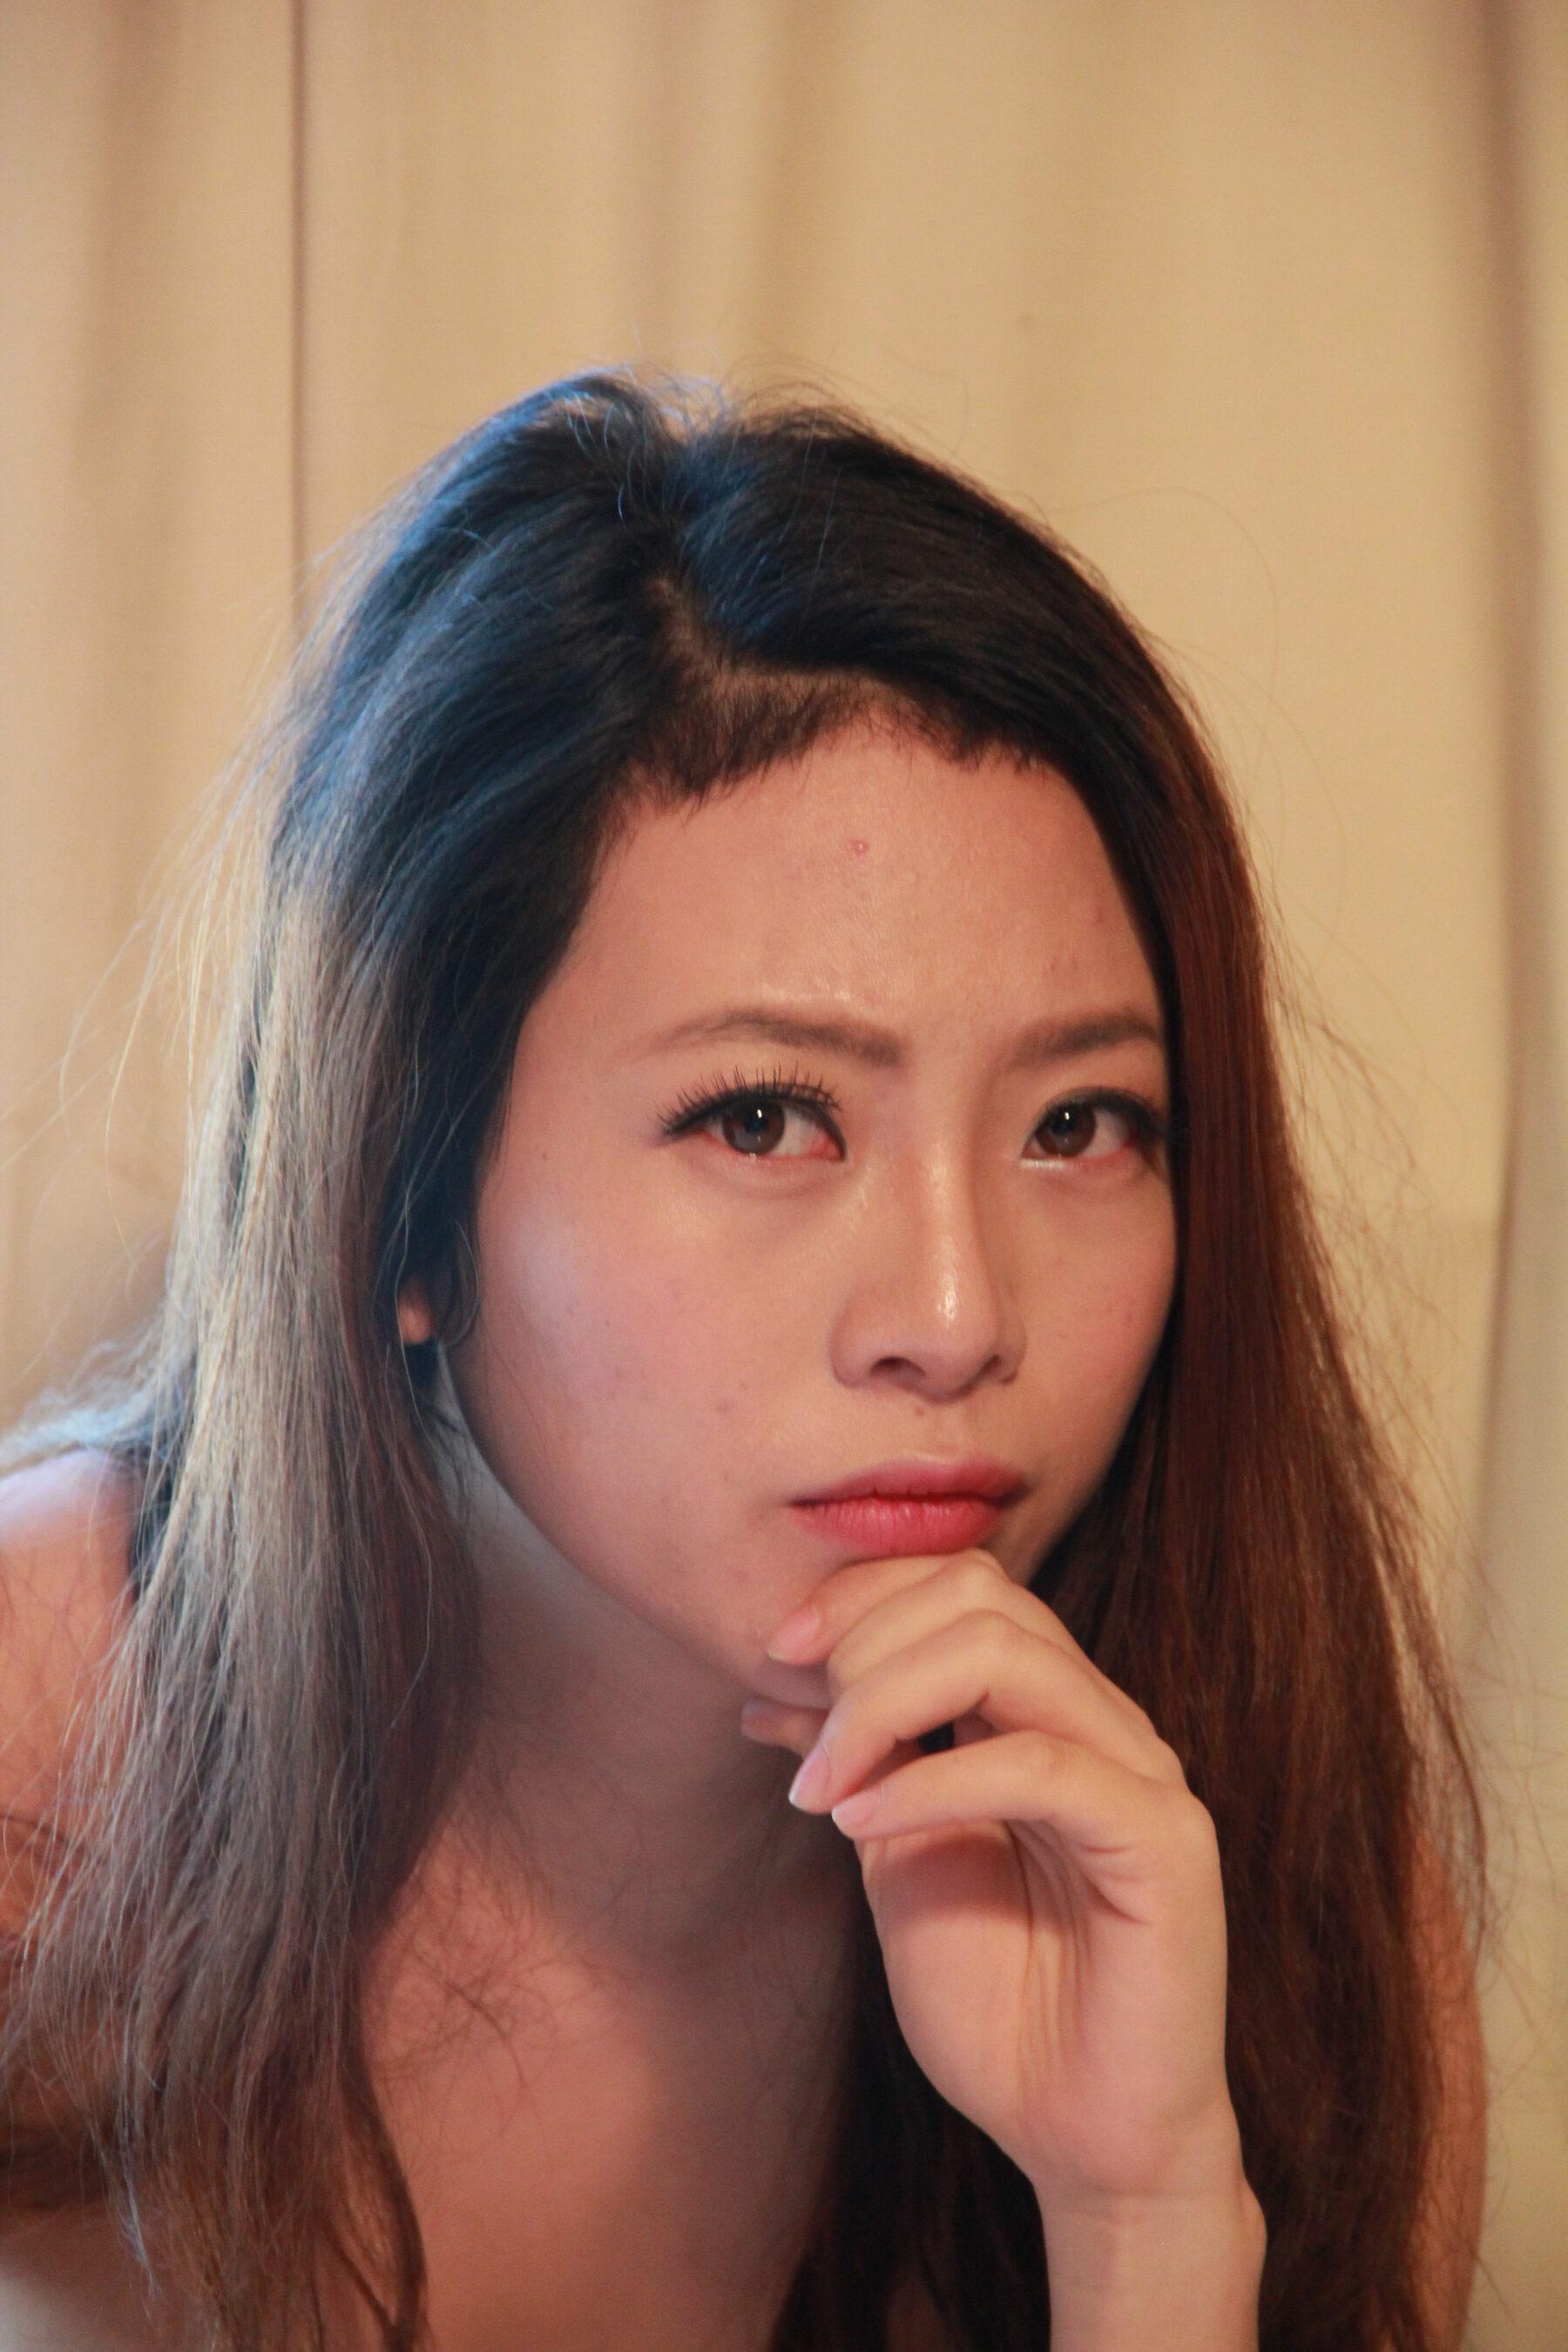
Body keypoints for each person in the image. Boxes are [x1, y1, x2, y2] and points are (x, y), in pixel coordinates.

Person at [0, 371, 1489, 2352]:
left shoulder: (1266, 1862)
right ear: (399, 1207)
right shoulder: (45, 1737)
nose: (956, 1315)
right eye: (766, 1118)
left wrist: (1144, 2214)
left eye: (1079, 1126)